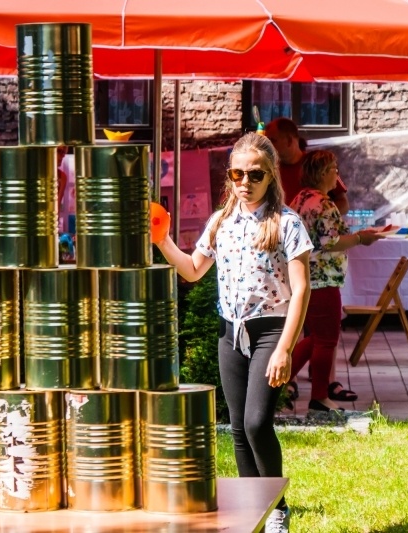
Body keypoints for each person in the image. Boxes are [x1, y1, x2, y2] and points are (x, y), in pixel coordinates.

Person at [155, 132, 312, 533]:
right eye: (237, 173)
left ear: (271, 175)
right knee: (239, 427)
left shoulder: (286, 223)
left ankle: (277, 509)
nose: (245, 182)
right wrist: (162, 239)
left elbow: (301, 290)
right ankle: (249, 511)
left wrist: (285, 349)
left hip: (269, 332)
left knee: (258, 423)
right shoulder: (221, 221)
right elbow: (193, 270)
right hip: (231, 333)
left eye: (255, 175)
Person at [288, 150, 383, 411]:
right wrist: (362, 237)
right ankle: (318, 396)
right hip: (324, 279)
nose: (337, 176)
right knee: (326, 339)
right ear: (321, 174)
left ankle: (279, 383)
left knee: (315, 337)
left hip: (303, 277)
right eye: (334, 170)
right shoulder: (324, 203)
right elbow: (331, 242)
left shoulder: (300, 199)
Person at [265, 118, 350, 214]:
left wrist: (318, 217)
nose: (268, 146)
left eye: (272, 140)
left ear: (289, 141)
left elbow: (344, 203)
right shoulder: (269, 170)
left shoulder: (317, 164)